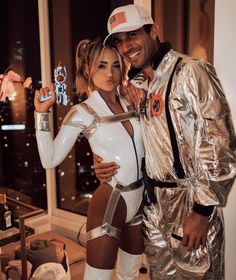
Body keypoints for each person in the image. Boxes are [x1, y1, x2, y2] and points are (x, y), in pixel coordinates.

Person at [93, 4, 236, 279]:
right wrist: (102, 160)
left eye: (132, 35)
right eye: (120, 42)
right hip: (153, 209)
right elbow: (131, 137)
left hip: (190, 206)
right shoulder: (138, 87)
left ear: (153, 30)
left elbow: (220, 144)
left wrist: (202, 211)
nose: (126, 47)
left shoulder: (191, 72)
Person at [34, 37, 145, 280]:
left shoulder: (133, 101)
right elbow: (49, 159)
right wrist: (41, 115)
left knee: (131, 275)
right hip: (110, 202)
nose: (110, 73)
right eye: (102, 65)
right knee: (98, 277)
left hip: (139, 200)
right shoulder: (82, 112)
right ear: (87, 69)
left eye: (116, 65)